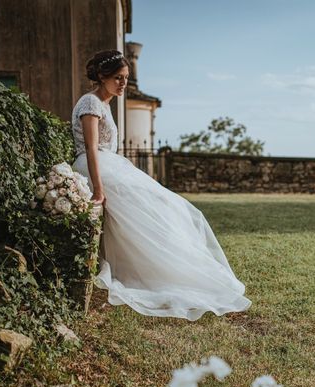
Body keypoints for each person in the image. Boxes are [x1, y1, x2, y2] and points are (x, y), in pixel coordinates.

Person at [71, 50, 251, 321]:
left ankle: (179, 267)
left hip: (109, 164)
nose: (123, 83)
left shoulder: (105, 104)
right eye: (118, 78)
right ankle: (159, 270)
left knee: (168, 205)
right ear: (101, 77)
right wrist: (98, 188)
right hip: (93, 166)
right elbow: (91, 148)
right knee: (149, 203)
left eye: (126, 78)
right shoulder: (90, 103)